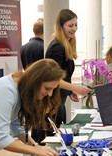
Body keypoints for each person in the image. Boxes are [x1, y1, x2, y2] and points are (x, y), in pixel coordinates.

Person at [0, 59, 66, 156]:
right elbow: (1, 139)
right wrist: (35, 150)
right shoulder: (6, 91)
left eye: (53, 89)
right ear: (35, 81)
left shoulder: (20, 88)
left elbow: (15, 125)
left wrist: (35, 145)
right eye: (47, 88)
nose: (50, 94)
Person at [30, 9, 90, 145]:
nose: (74, 29)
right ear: (61, 26)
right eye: (70, 25)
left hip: (57, 101)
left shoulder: (65, 45)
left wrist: (70, 91)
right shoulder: (57, 47)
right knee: (47, 141)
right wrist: (75, 87)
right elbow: (52, 79)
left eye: (76, 25)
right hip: (50, 102)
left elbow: (63, 76)